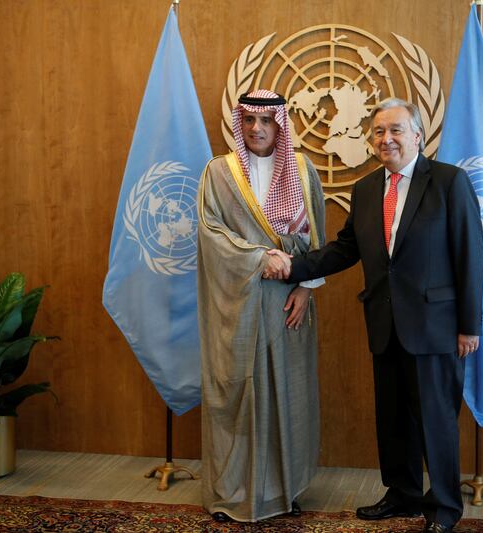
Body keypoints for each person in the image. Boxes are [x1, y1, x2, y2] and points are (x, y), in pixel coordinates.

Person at [269, 98, 483, 533]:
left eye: (396, 130)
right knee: (393, 419)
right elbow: (347, 248)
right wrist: (295, 266)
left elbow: (470, 256)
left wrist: (469, 326)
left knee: (436, 422)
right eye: (379, 132)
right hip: (384, 326)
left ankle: (444, 508)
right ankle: (401, 494)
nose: (387, 139)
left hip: (435, 327)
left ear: (418, 135)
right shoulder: (366, 189)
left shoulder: (448, 182)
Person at [196, 89, 325, 522]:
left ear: (280, 125)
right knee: (238, 392)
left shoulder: (304, 170)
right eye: (249, 120)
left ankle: (284, 492)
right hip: (238, 300)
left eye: (266, 121)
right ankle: (232, 494)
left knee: (286, 393)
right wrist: (258, 258)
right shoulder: (218, 172)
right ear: (240, 123)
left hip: (289, 299)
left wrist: (306, 288)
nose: (256, 129)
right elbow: (210, 233)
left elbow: (316, 239)